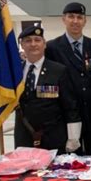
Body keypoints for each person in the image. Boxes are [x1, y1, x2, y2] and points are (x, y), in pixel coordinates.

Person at [45, 2, 91, 155]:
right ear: (63, 19)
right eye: (71, 16)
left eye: (79, 17)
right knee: (71, 160)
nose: (75, 21)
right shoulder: (52, 48)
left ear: (85, 21)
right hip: (66, 114)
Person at [15, 26, 81, 154]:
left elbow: (70, 106)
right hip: (24, 137)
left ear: (44, 44)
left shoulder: (59, 70)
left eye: (37, 40)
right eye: (28, 40)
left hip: (53, 138)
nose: (33, 44)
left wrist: (73, 138)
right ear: (22, 45)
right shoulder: (15, 72)